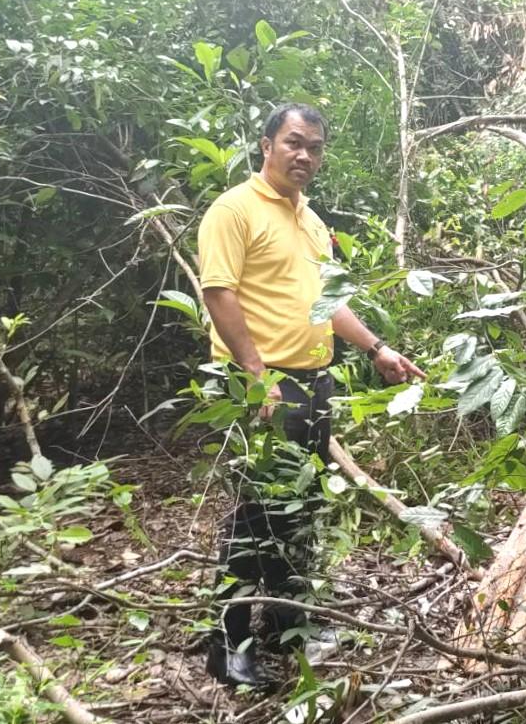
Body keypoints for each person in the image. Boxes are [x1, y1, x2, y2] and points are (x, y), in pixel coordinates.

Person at [196, 102, 424, 687]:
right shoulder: (234, 210)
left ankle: (289, 622)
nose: (304, 155)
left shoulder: (312, 221)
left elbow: (329, 300)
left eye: (315, 147)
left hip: (312, 382)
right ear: (268, 143)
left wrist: (377, 350)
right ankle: (231, 643)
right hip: (264, 384)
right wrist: (254, 371)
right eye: (294, 142)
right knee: (256, 513)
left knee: (301, 508)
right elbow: (218, 292)